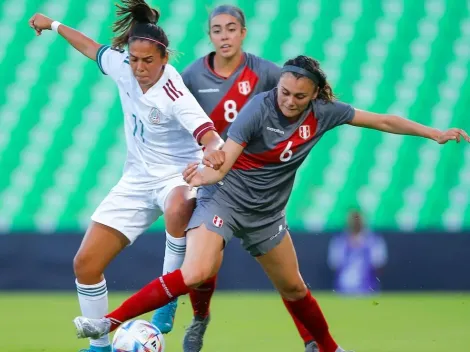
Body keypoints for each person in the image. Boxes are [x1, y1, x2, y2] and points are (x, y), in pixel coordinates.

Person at [72, 55, 469, 352]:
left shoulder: (325, 114)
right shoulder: (256, 109)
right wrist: (203, 175)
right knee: (197, 270)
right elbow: (222, 163)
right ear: (276, 86)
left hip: (266, 215)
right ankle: (112, 322)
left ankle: (329, 348)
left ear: (315, 95)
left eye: (300, 96)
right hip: (223, 198)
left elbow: (383, 121)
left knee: (294, 288)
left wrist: (432, 133)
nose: (290, 101)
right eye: (284, 91)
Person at [28, 1, 225, 351]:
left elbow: (208, 135)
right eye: (134, 59)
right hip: (135, 180)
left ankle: (166, 299)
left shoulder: (173, 91)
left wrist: (212, 152)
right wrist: (54, 24)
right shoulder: (122, 66)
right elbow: (90, 46)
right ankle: (100, 346)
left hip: (175, 177)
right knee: (85, 264)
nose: (139, 67)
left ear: (163, 58)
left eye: (147, 60)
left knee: (180, 202)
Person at [151, 4, 317, 352]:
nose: (224, 36)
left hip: (254, 180)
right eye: (216, 30)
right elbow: (179, 117)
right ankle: (199, 318)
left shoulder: (267, 73)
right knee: (205, 263)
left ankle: (312, 339)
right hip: (214, 179)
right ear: (209, 35)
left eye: (230, 29)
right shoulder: (194, 76)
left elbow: (299, 98)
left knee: (288, 279)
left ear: (243, 32)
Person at [328, 209, 388, 295]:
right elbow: (334, 263)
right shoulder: (340, 241)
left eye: (358, 219)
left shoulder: (373, 240)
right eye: (353, 219)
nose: (355, 222)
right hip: (343, 290)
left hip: (368, 290)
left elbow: (379, 263)